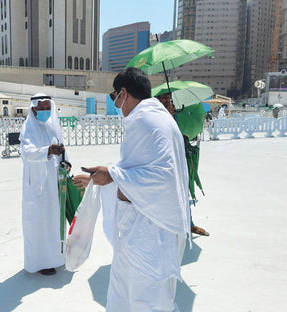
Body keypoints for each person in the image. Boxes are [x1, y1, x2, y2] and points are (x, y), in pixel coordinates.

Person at [74, 67, 191, 311]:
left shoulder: (145, 121)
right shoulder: (156, 118)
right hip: (140, 230)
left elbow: (162, 177)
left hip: (149, 233)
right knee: (125, 294)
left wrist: (112, 174)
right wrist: (101, 178)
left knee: (146, 300)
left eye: (113, 96)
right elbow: (139, 168)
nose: (116, 103)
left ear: (123, 93)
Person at [19, 93, 67, 276]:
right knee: (39, 222)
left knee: (54, 219)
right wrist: (46, 151)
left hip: (53, 182)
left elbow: (62, 148)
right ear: (33, 109)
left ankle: (56, 258)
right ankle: (40, 262)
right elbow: (26, 152)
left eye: (48, 108)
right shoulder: (29, 128)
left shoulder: (53, 127)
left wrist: (66, 161)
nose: (45, 111)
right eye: (42, 108)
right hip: (37, 183)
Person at [156, 94, 210, 237]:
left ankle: (189, 224)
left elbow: (179, 133)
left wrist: (172, 117)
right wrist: (164, 116)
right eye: (162, 99)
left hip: (177, 159)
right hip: (160, 163)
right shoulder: (153, 116)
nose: (166, 101)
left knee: (182, 192)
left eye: (168, 98)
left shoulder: (176, 114)